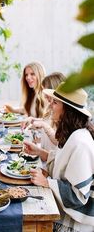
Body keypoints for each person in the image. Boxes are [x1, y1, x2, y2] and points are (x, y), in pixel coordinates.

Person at [24, 83, 94, 232]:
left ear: (68, 110)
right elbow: (64, 164)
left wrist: (47, 182)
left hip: (73, 224)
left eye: (55, 102)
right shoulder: (73, 133)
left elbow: (78, 197)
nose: (50, 106)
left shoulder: (80, 142)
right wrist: (39, 151)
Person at [22, 72, 66, 151]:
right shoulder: (51, 107)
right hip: (44, 156)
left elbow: (59, 141)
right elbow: (48, 121)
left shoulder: (63, 112)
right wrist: (32, 120)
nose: (45, 96)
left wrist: (43, 125)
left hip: (52, 159)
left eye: (47, 91)